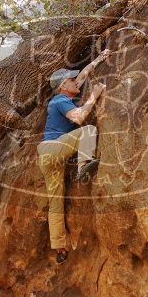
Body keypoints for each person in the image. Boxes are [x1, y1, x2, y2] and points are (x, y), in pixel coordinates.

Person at [38, 50, 110, 264]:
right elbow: (78, 118)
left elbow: (82, 75)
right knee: (87, 130)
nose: (75, 82)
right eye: (71, 80)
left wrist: (99, 58)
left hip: (48, 156)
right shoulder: (60, 100)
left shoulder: (64, 94)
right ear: (62, 86)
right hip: (53, 149)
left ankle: (59, 247)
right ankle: (83, 165)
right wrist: (94, 96)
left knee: (55, 203)